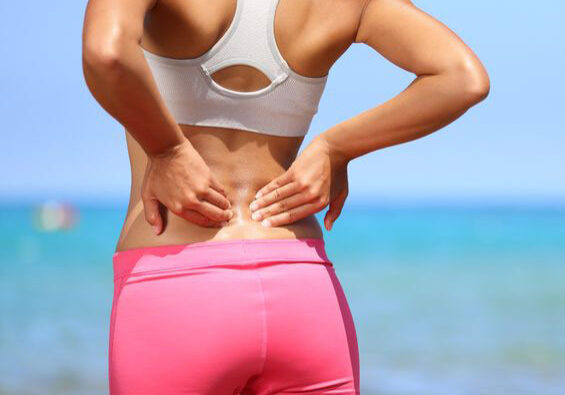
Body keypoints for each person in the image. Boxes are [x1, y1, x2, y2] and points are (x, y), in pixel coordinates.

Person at [82, 0, 489, 393]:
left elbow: (105, 52)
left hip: (177, 289)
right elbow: (462, 77)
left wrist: (167, 150)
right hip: (304, 293)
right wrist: (337, 147)